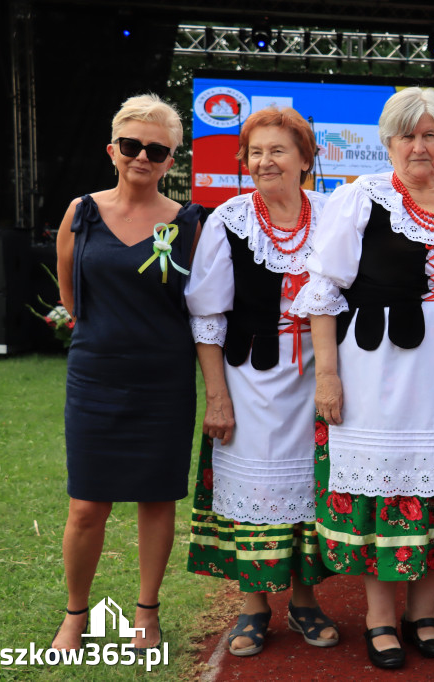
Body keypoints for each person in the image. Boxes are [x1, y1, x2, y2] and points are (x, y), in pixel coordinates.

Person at [289, 86, 434, 669]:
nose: (419, 146)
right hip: (377, 369)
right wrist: (327, 377)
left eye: (430, 134)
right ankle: (379, 618)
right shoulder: (359, 200)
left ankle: (424, 612)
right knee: (385, 484)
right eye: (406, 135)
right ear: (387, 143)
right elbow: (324, 292)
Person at [183, 107, 340, 656]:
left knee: (315, 491)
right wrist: (217, 396)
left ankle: (304, 603)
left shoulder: (334, 214)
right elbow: (207, 317)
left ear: (305, 159)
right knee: (261, 489)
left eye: (278, 150)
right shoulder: (229, 219)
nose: (264, 161)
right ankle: (253, 609)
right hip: (250, 377)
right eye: (255, 152)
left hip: (325, 374)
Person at [51, 94, 202, 652]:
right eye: (133, 145)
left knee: (156, 500)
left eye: (156, 149)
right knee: (87, 504)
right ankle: (75, 613)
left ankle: (146, 612)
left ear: (171, 159)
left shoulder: (190, 223)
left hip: (164, 379)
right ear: (113, 150)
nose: (143, 156)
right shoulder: (81, 212)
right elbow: (70, 295)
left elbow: (200, 305)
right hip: (95, 374)